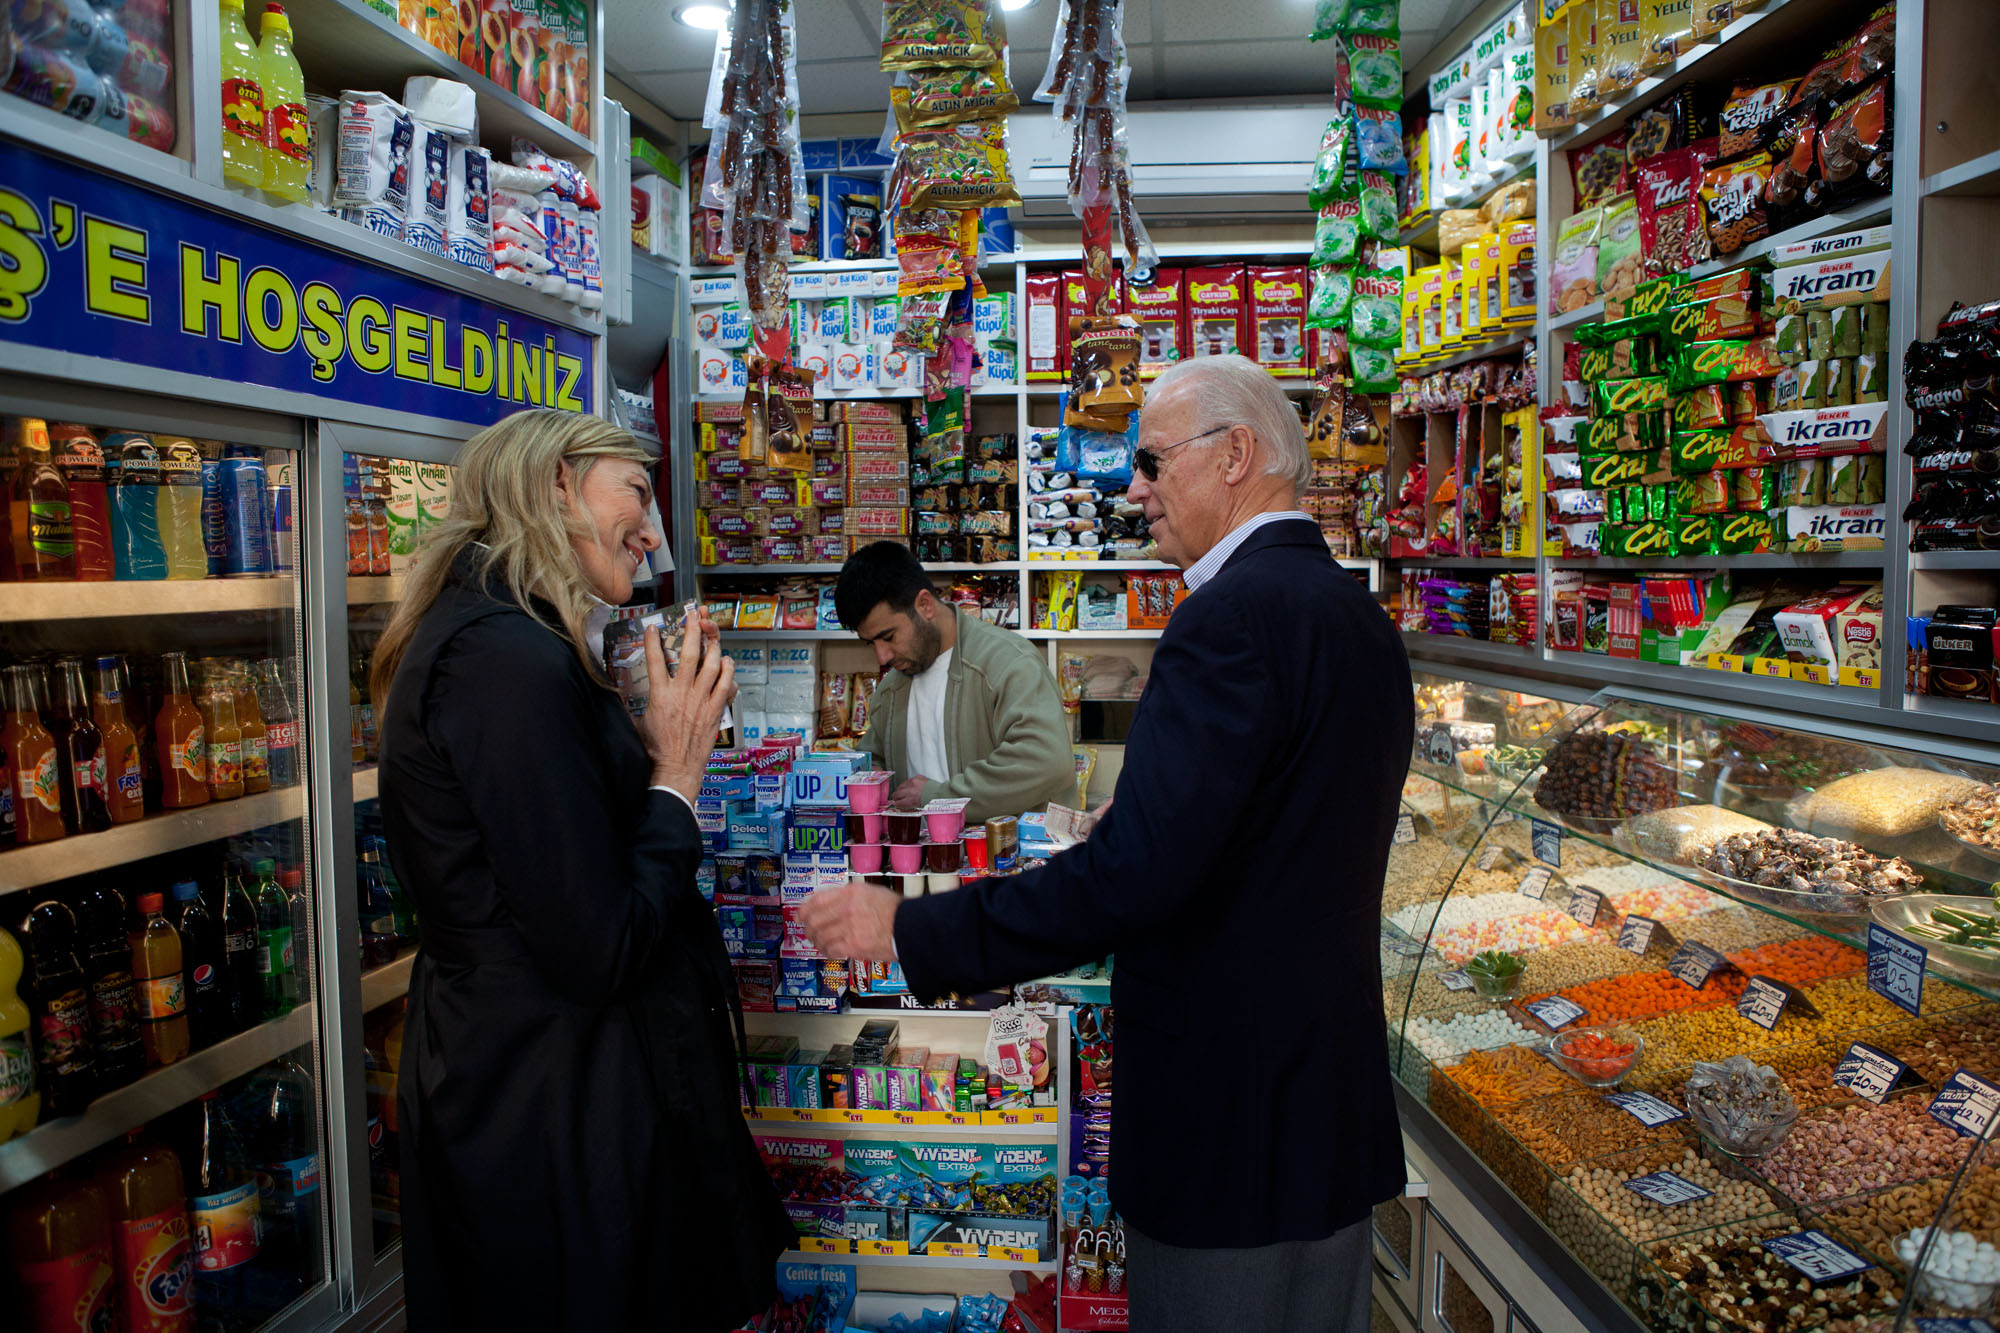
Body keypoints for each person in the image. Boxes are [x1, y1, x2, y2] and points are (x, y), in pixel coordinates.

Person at [802, 355, 1414, 1332]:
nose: (1131, 491)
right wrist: (1135, 826)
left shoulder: (1227, 621)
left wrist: (911, 928)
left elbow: (1133, 882)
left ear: (1236, 456)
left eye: (1151, 462)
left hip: (1223, 1131)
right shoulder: (1361, 619)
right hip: (1329, 1118)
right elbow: (1272, 832)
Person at [370, 410, 791, 1332]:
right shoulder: (505, 661)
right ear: (557, 483)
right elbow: (596, 943)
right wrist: (676, 773)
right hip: (555, 1111)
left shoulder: (508, 640)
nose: (653, 532)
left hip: (540, 1082)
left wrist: (633, 757)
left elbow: (548, 860)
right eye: (636, 493)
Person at [835, 541, 1074, 824]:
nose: (882, 655)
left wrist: (938, 797)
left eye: (889, 637)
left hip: (1014, 864)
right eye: (870, 643)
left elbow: (1047, 763)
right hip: (927, 867)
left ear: (924, 605)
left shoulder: (1008, 663)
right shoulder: (890, 692)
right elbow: (873, 763)